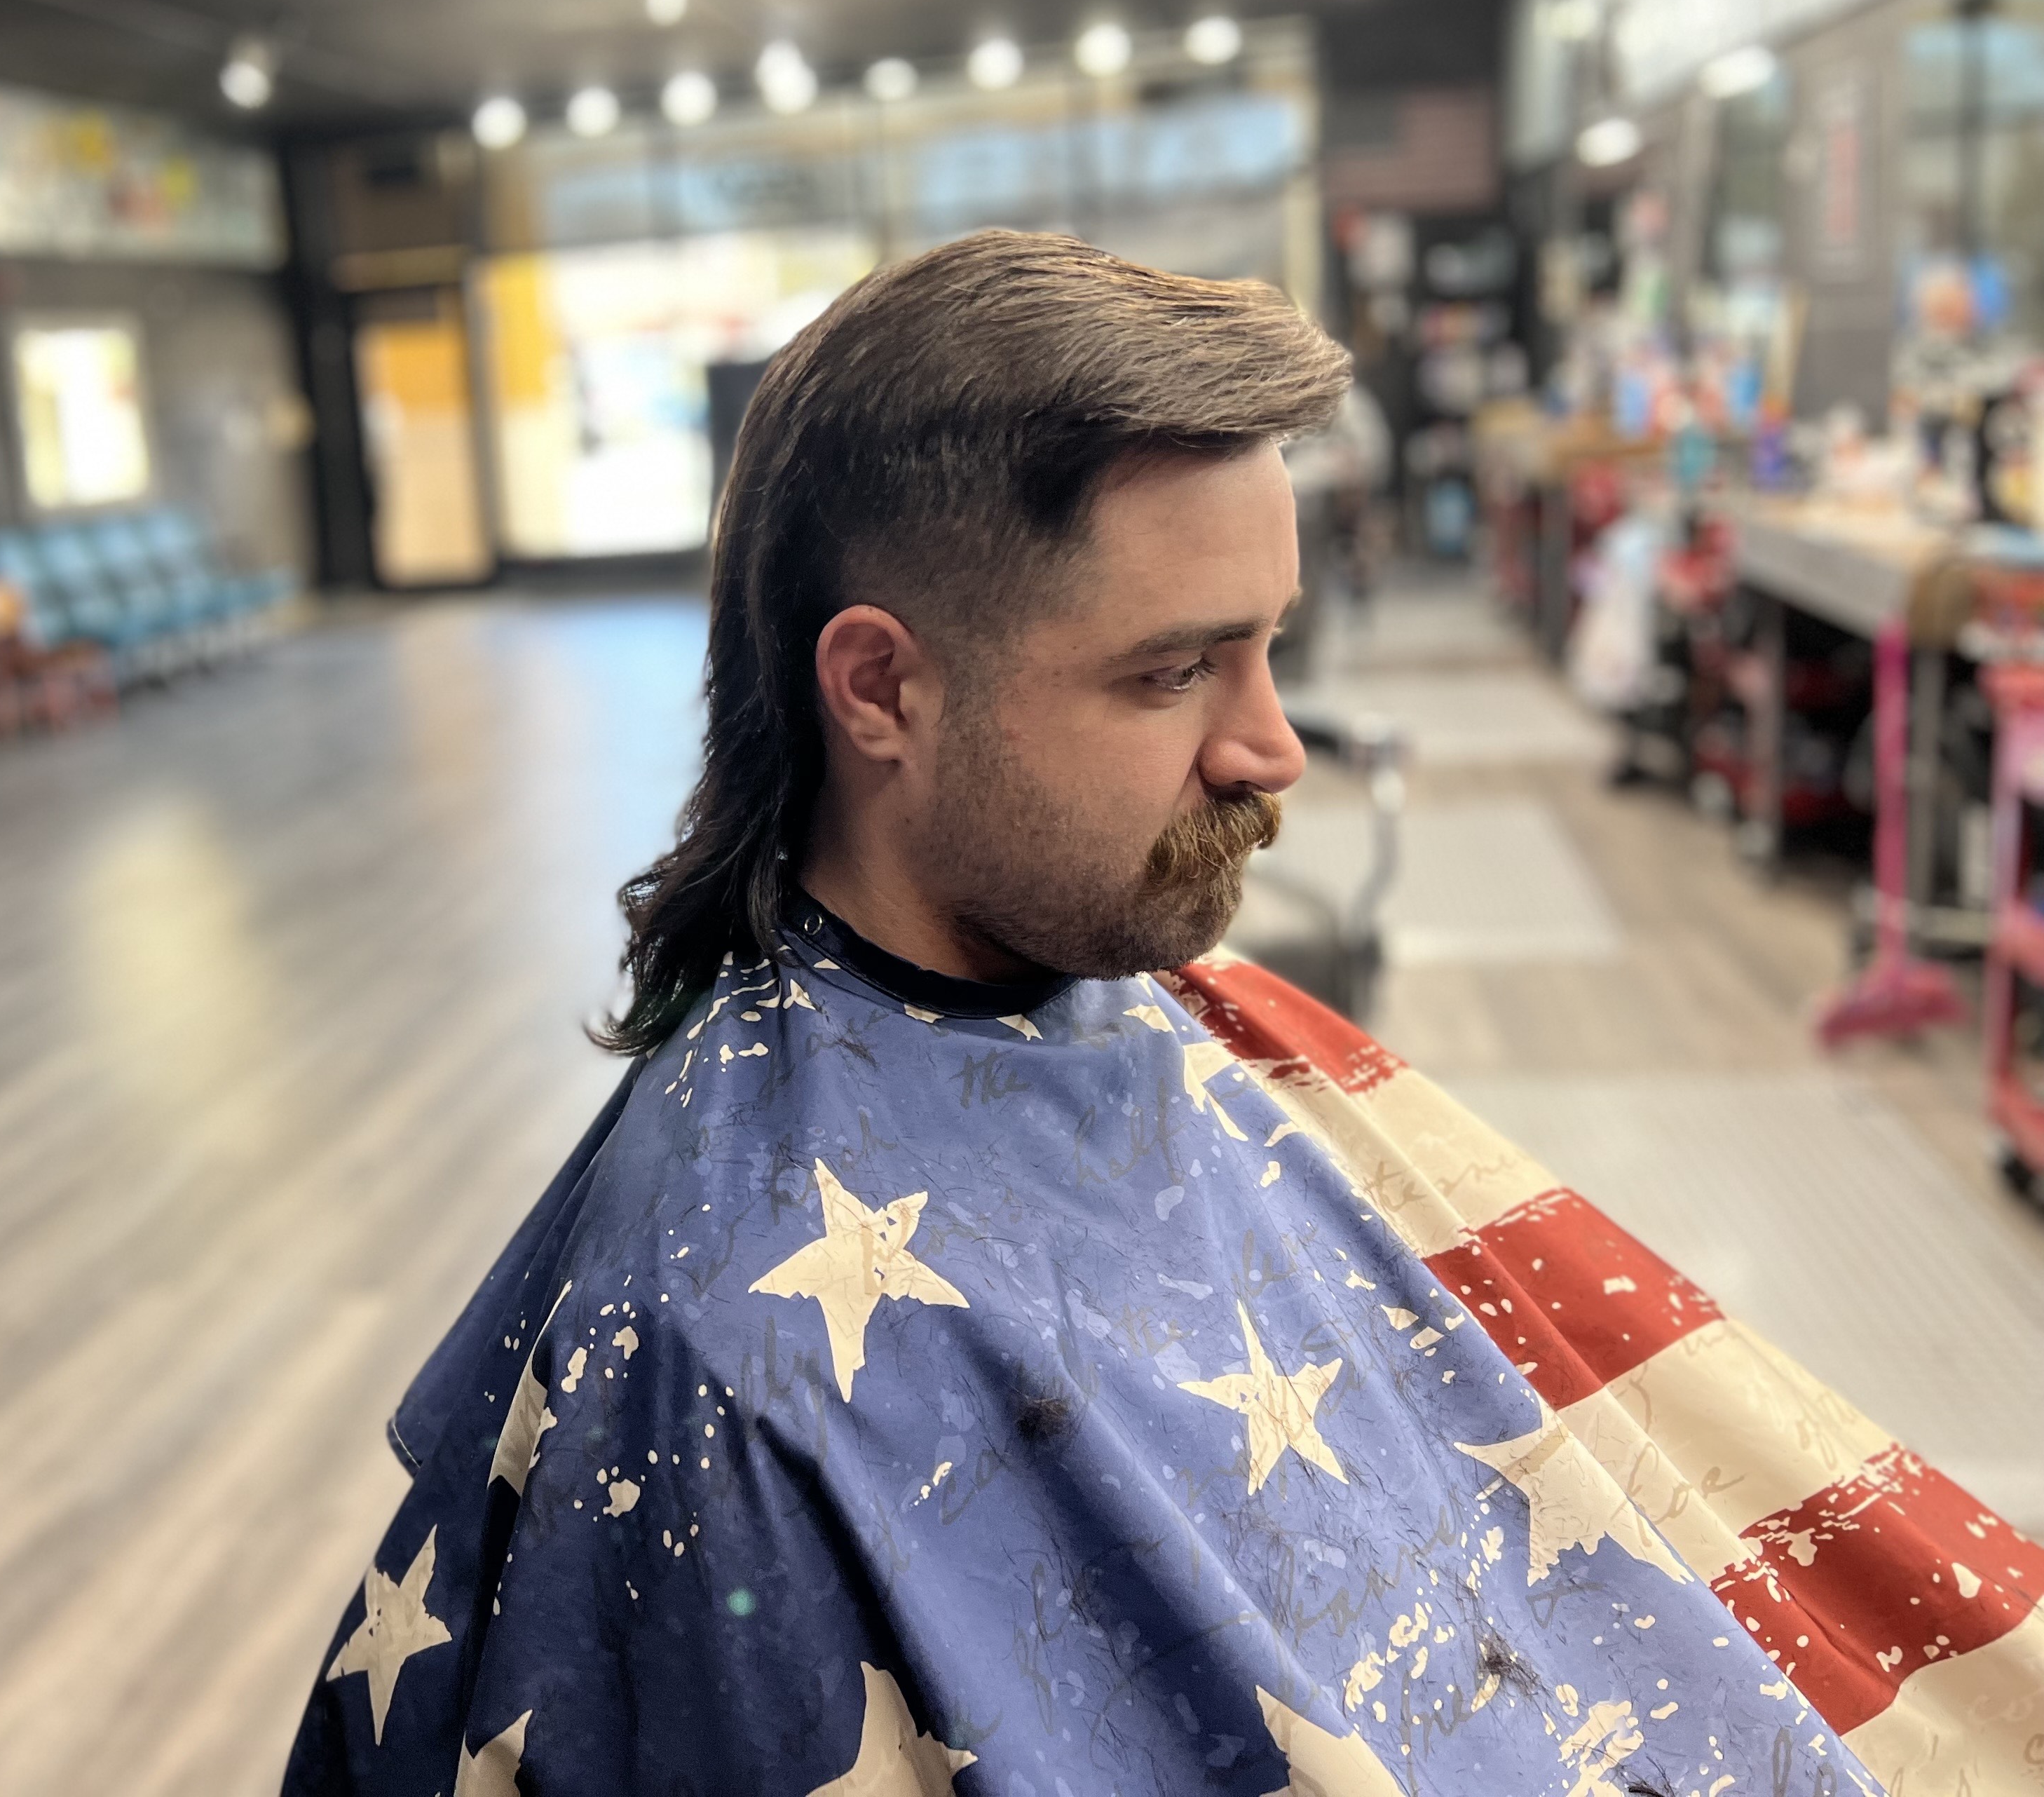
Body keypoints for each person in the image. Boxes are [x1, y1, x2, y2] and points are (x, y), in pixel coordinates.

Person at [282, 231, 2043, 1796]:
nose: (1270, 747)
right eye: (1175, 669)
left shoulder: (1191, 1010)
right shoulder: (716, 1363)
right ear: (880, 688)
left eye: (1270, 647)